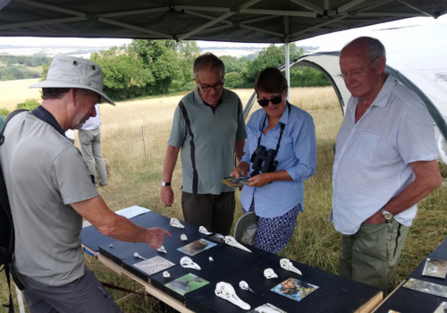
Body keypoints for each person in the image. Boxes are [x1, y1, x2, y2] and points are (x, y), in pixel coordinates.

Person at [0, 55, 172, 313]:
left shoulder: (16, 122)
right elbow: (107, 224)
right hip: (62, 276)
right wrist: (149, 235)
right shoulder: (62, 153)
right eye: (93, 102)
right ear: (74, 94)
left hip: (25, 269)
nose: (93, 112)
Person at [331, 37, 442, 292]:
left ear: (379, 64)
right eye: (344, 74)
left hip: (377, 224)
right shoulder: (355, 100)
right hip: (350, 216)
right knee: (347, 287)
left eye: (356, 71)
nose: (349, 81)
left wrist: (383, 215)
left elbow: (430, 178)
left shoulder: (406, 108)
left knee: (367, 292)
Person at [230, 67, 316, 254]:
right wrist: (242, 167)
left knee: (263, 258)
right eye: (263, 100)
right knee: (247, 250)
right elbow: (247, 154)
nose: (270, 105)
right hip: (250, 200)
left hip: (280, 204)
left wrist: (271, 177)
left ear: (285, 91)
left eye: (275, 98)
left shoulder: (301, 121)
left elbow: (307, 168)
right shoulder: (256, 118)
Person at [160, 53, 247, 235]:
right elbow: (173, 147)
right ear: (196, 82)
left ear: (224, 78)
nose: (213, 92)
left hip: (227, 187)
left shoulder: (234, 101)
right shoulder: (185, 106)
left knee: (222, 241)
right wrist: (166, 184)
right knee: (198, 244)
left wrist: (243, 173)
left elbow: (239, 141)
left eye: (218, 84)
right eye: (206, 87)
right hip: (196, 192)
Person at [78, 103, 108, 187]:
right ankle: (104, 181)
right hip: (96, 130)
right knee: (99, 157)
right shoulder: (95, 102)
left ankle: (93, 183)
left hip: (85, 131)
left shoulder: (81, 104)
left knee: (88, 159)